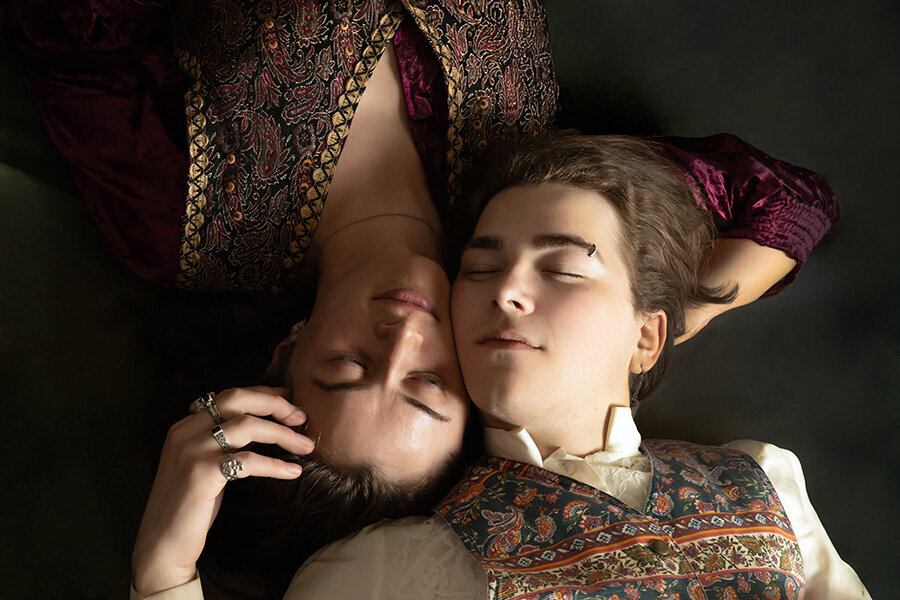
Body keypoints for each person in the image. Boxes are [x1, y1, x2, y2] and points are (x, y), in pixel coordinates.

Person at [289, 134, 870, 599]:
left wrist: (654, 322)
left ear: (647, 335)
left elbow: (795, 202)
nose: (508, 291)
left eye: (564, 269)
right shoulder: (384, 567)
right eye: (480, 269)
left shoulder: (765, 477)